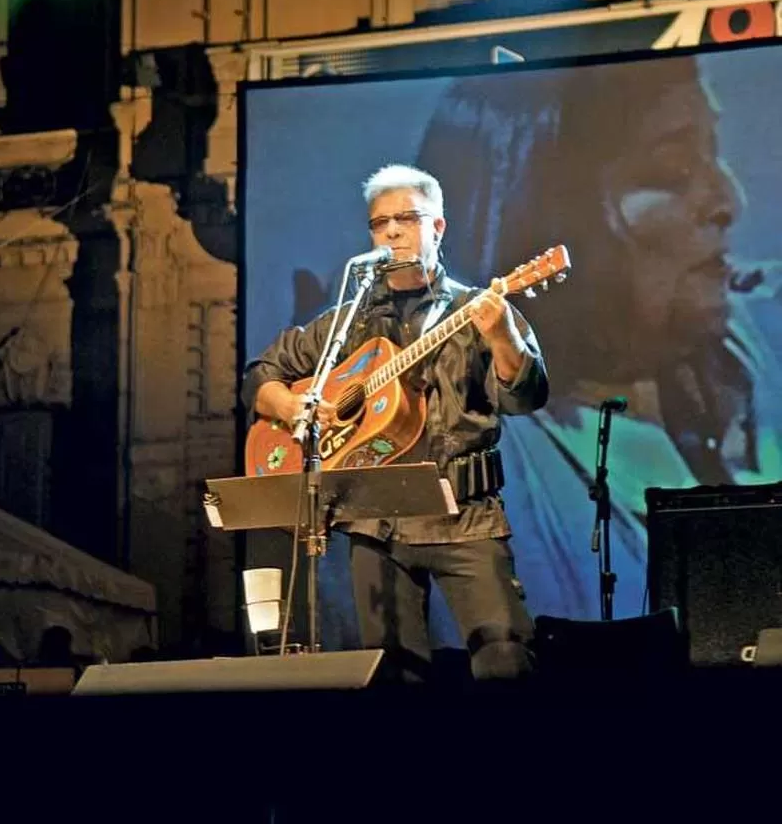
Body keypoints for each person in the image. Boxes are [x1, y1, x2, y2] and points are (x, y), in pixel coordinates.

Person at [416, 52, 782, 620]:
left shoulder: (757, 344)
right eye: (672, 175)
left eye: (714, 158)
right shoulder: (500, 475)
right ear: (546, 223)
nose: (729, 203)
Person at [241, 163, 549, 682]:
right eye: (379, 223)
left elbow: (525, 397)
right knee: (391, 672)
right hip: (375, 523)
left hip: (464, 515)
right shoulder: (349, 321)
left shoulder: (477, 309)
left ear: (438, 227)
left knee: (504, 657)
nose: (391, 232)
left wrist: (503, 338)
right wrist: (292, 406)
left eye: (406, 218)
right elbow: (261, 375)